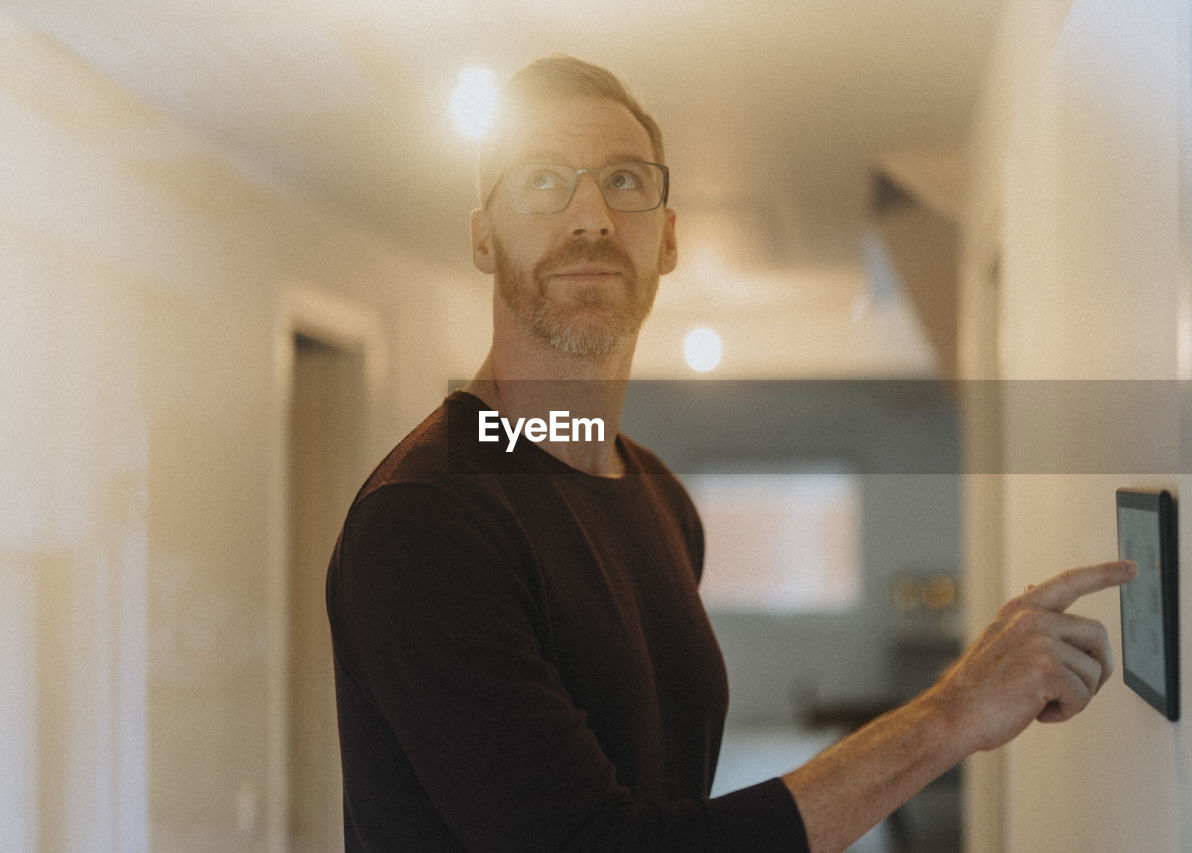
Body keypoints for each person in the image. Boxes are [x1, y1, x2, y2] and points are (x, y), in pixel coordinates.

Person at [325, 54, 1137, 852]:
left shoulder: (659, 496)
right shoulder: (427, 519)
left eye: (626, 181)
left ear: (668, 237)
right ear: (482, 239)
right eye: (542, 180)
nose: (592, 217)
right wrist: (950, 714)